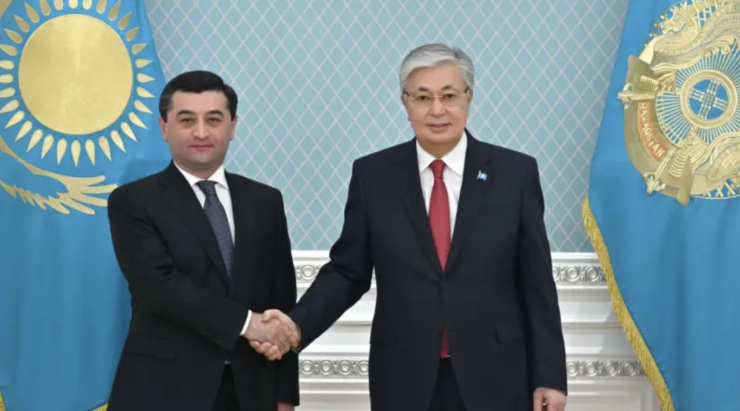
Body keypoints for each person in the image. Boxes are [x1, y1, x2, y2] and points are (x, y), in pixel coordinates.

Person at [248, 44, 568, 411]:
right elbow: (348, 272)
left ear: (469, 97)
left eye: (449, 95)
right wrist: (295, 326)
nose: (437, 109)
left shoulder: (514, 174)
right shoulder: (373, 175)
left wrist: (550, 376)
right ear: (405, 103)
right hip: (404, 376)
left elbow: (536, 283)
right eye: (423, 97)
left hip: (497, 374)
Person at [106, 70, 299, 411]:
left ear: (232, 126)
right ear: (164, 128)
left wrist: (284, 396)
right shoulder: (133, 201)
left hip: (251, 391)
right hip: (162, 391)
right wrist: (248, 324)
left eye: (213, 119)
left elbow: (280, 300)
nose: (201, 132)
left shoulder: (266, 201)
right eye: (186, 120)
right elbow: (159, 286)